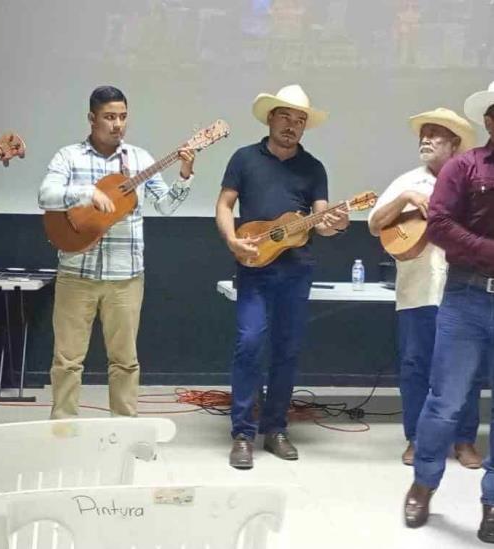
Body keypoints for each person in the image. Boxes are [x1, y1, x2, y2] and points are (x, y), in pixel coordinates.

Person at [38, 85, 196, 419]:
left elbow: (165, 207)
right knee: (67, 361)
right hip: (75, 273)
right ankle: (63, 431)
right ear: (91, 118)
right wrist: (87, 194)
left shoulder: (139, 159)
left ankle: (123, 433)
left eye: (123, 117)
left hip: (126, 276)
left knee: (125, 361)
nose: (118, 124)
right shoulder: (69, 156)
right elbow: (46, 195)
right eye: (110, 117)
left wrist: (184, 175)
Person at [215, 84, 348, 470]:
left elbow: (321, 221)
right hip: (254, 266)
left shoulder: (314, 167)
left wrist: (336, 224)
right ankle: (242, 433)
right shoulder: (244, 158)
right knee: (250, 343)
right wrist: (232, 241)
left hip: (296, 270)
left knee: (287, 353)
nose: (293, 126)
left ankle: (275, 429)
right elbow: (225, 205)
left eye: (300, 120)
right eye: (286, 117)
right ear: (270, 118)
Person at [403, 81, 494, 543]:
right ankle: (424, 482)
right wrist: (488, 252)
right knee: (446, 402)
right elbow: (438, 223)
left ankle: (492, 502)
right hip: (468, 296)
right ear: (490, 120)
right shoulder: (464, 165)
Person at [368, 108, 481, 468]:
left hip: (462, 291)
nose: (426, 139)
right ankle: (416, 439)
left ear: (455, 144)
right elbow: (374, 224)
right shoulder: (407, 181)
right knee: (415, 365)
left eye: (435, 134)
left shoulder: (471, 182)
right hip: (416, 291)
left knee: (466, 368)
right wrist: (404, 201)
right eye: (423, 134)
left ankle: (464, 440)